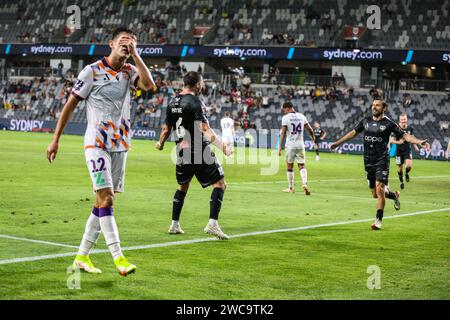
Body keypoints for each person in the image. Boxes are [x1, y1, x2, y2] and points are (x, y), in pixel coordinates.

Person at [46, 27, 155, 275]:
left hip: (120, 146)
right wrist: (55, 139)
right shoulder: (92, 71)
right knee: (107, 198)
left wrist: (137, 56)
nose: (127, 45)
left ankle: (82, 257)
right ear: (111, 44)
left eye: (132, 43)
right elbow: (70, 105)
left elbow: (150, 87)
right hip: (96, 144)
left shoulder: (130, 71)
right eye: (124, 41)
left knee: (101, 202)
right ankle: (119, 258)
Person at [330, 99, 429, 230]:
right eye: (373, 105)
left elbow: (405, 136)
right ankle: (394, 195)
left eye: (377, 105)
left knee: (380, 189)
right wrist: (338, 143)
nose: (374, 107)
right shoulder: (365, 121)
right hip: (368, 160)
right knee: (375, 194)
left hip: (382, 159)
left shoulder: (389, 124)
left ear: (384, 108)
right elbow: (353, 133)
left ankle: (378, 220)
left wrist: (419, 141)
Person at [156, 71, 232, 240]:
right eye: (202, 83)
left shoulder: (172, 102)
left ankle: (174, 224)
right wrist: (223, 147)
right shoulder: (194, 102)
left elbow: (166, 129)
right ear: (197, 84)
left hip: (181, 150)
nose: (202, 85)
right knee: (220, 183)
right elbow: (205, 129)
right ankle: (213, 224)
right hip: (198, 149)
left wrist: (160, 143)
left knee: (183, 185)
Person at [278, 102, 316, 195]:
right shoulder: (302, 116)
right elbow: (310, 129)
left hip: (290, 145)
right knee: (302, 165)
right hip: (300, 145)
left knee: (289, 166)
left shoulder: (286, 118)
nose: (284, 112)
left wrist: (279, 146)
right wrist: (313, 139)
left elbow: (283, 133)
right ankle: (304, 184)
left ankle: (291, 188)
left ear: (287, 108)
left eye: (284, 110)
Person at [390, 114, 420, 189]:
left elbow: (412, 138)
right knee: (399, 168)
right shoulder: (396, 129)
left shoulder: (410, 128)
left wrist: (415, 146)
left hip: (407, 149)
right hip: (399, 151)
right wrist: (399, 142)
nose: (403, 121)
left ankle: (406, 173)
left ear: (407, 119)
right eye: (402, 119)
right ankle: (401, 182)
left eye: (404, 119)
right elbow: (391, 141)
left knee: (409, 165)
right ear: (400, 120)